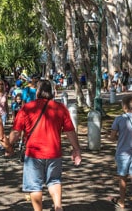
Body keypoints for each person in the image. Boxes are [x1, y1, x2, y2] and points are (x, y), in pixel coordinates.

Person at [8, 79, 82, 211]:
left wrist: (8, 145)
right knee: (54, 181)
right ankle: (58, 207)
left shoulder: (27, 108)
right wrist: (76, 149)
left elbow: (16, 132)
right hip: (54, 152)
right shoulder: (60, 108)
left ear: (37, 92)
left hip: (33, 153)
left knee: (35, 185)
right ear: (52, 92)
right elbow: (70, 131)